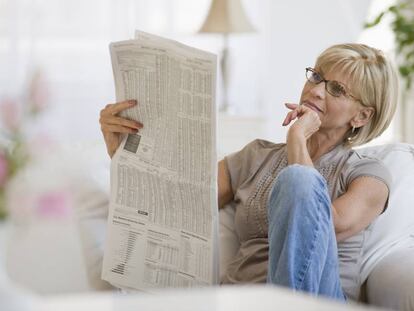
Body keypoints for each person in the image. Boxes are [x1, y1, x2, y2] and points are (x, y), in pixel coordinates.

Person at [99, 43, 399, 302]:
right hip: (243, 298)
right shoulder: (255, 156)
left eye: (336, 89)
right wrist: (120, 150)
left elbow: (328, 224)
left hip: (320, 301)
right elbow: (178, 204)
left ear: (361, 116)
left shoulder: (368, 173)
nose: (316, 90)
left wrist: (296, 138)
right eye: (317, 76)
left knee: (298, 180)